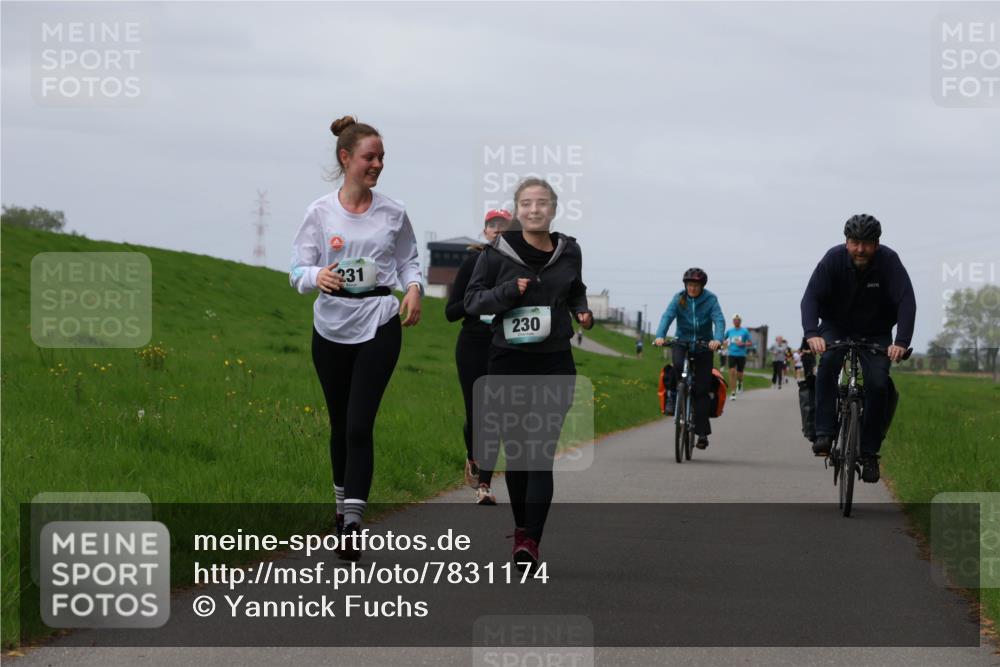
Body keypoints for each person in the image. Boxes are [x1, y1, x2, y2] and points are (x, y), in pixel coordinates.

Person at [290, 116, 423, 561]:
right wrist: (316, 275)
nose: (378, 164)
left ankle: (352, 523)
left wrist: (414, 290)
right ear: (346, 158)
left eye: (382, 157)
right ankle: (339, 506)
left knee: (359, 425)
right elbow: (296, 271)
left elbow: (409, 260)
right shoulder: (319, 212)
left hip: (379, 319)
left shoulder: (393, 211)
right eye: (370, 156)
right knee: (339, 424)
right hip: (330, 326)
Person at [464, 177, 593, 570]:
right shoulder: (496, 253)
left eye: (542, 204)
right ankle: (523, 528)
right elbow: (471, 301)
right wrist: (506, 294)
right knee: (518, 454)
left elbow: (575, 289)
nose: (534, 210)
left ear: (553, 209)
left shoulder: (569, 251)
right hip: (508, 362)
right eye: (526, 204)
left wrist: (581, 311)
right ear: (517, 211)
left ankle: (529, 540)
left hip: (554, 362)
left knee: (539, 454)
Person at [801, 214, 915, 483]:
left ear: (876, 244)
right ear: (846, 242)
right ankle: (824, 433)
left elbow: (906, 302)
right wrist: (812, 333)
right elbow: (810, 298)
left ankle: (869, 451)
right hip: (835, 326)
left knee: (877, 384)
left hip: (876, 331)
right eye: (854, 243)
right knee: (828, 364)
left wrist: (901, 342)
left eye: (866, 243)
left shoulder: (889, 262)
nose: (860, 249)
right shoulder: (832, 259)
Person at [446, 209, 513, 503]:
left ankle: (484, 485)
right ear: (485, 231)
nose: (497, 231)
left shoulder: (517, 265)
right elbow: (451, 311)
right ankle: (472, 456)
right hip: (472, 342)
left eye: (503, 226)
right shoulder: (473, 261)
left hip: (503, 344)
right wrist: (481, 301)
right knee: (476, 413)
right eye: (492, 226)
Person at [653, 268, 725, 449]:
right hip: (682, 342)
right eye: (690, 285)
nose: (692, 288)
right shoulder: (679, 298)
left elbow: (719, 320)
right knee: (676, 367)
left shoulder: (710, 299)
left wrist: (717, 339)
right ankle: (673, 396)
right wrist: (660, 335)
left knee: (701, 390)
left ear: (702, 286)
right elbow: (667, 316)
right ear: (685, 285)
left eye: (696, 286)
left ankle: (701, 434)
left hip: (703, 346)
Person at [723, 314, 752, 399]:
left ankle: (740, 383)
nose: (736, 322)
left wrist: (743, 343)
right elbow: (724, 339)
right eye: (735, 320)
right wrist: (724, 343)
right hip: (732, 353)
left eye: (738, 320)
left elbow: (750, 343)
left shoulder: (744, 331)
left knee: (739, 374)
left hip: (741, 355)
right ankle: (733, 393)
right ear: (733, 322)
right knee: (732, 372)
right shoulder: (729, 331)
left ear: (740, 321)